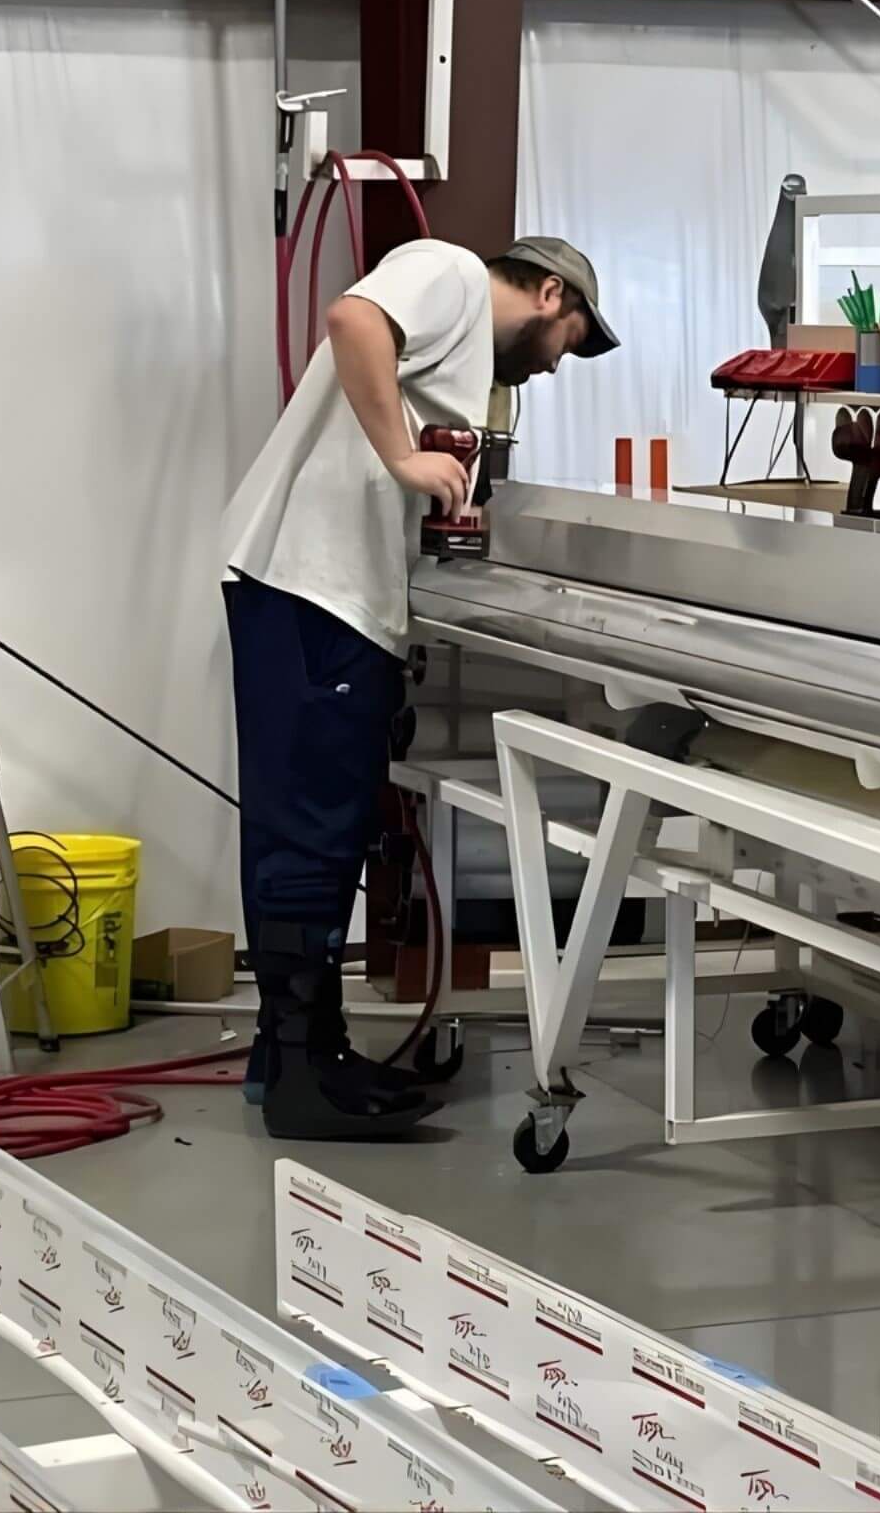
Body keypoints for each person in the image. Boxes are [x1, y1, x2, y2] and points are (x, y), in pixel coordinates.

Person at [221, 235, 618, 1140]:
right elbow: (354, 319)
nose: (558, 365)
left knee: (305, 824)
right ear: (550, 294)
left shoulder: (459, 338)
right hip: (317, 590)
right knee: (313, 828)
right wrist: (405, 459)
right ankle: (305, 1076)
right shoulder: (451, 272)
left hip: (317, 592)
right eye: (573, 339)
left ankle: (288, 1057)